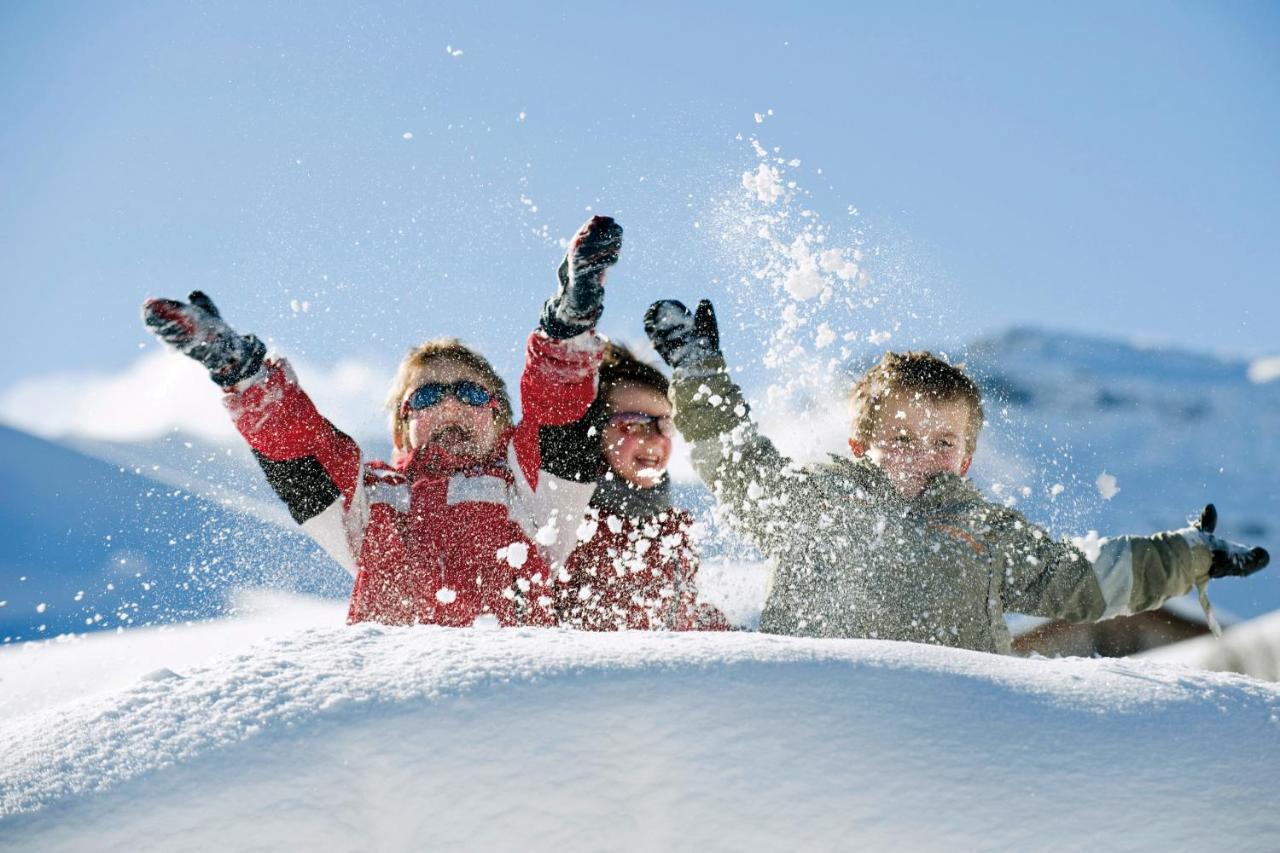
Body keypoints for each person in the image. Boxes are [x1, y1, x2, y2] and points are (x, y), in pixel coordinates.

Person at [642, 298, 1271, 654]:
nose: (923, 453)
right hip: (813, 719)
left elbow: (1082, 582)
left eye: (943, 441)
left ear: (967, 457)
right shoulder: (815, 502)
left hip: (952, 737)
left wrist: (1188, 556)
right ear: (864, 445)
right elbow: (738, 463)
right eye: (902, 439)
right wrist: (700, 374)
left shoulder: (987, 531)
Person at [141, 216, 623, 628]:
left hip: (509, 700)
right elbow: (300, 446)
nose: (451, 406)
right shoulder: (370, 500)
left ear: (500, 421)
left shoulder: (526, 487)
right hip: (397, 709)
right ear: (400, 427)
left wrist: (567, 328)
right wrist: (241, 372)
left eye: (472, 393)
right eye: (429, 394)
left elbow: (557, 415)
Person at [540, 344, 730, 631]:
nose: (654, 439)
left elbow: (680, 621)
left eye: (664, 425)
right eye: (634, 425)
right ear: (596, 431)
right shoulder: (570, 520)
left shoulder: (672, 529)